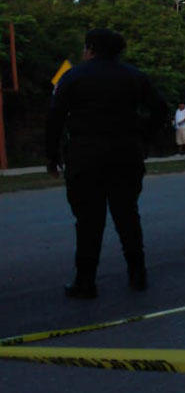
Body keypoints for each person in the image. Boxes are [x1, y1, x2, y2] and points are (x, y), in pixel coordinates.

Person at [45, 28, 169, 298]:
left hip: (85, 154)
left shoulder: (73, 77)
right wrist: (142, 136)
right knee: (127, 215)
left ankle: (85, 281)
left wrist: (52, 156)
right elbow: (161, 110)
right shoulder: (135, 77)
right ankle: (138, 274)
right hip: (126, 153)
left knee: (88, 221)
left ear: (90, 48)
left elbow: (54, 117)